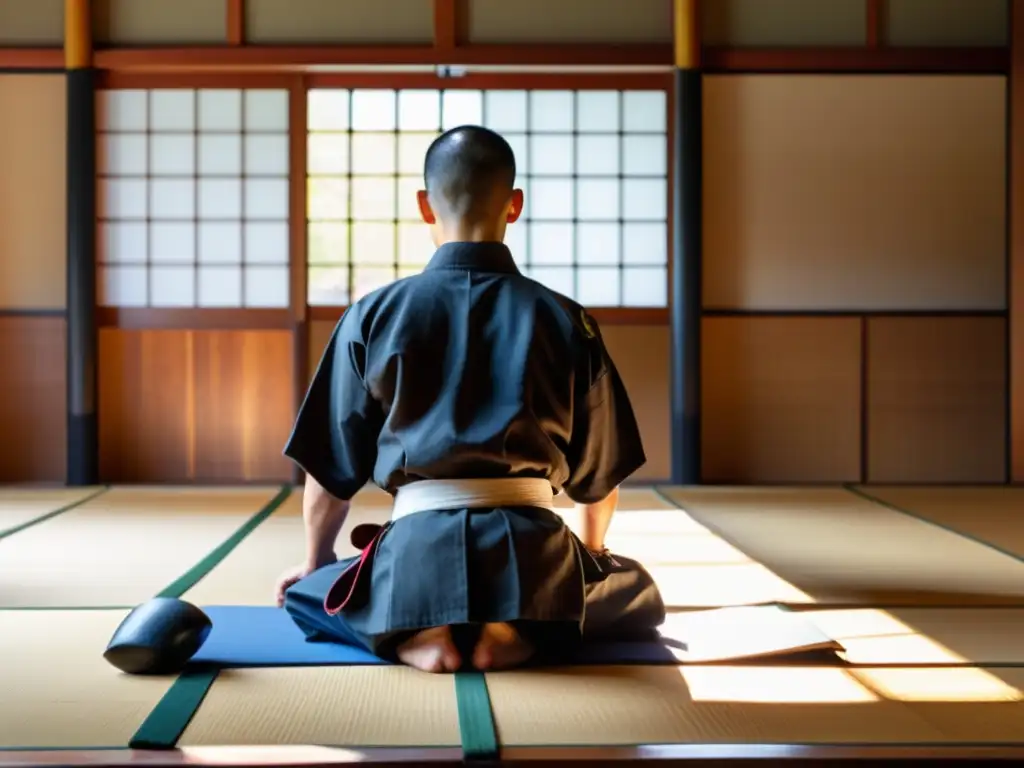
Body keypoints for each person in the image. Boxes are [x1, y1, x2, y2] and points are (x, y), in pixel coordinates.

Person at [276, 125, 665, 674]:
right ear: (515, 206)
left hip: (414, 554)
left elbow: (329, 470)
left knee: (308, 591)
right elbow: (600, 480)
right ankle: (519, 634)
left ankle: (417, 636)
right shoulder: (566, 318)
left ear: (423, 206)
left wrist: (316, 561)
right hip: (535, 558)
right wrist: (593, 557)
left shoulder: (373, 314)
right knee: (637, 588)